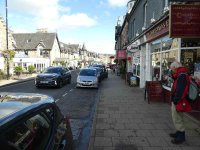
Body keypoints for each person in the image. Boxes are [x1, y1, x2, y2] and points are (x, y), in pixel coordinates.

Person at [169, 61, 189, 144]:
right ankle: (179, 132)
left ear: (175, 68)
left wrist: (175, 100)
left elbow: (180, 90)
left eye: (172, 69)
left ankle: (181, 137)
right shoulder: (181, 74)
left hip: (179, 101)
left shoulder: (181, 76)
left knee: (177, 118)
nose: (172, 70)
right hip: (179, 101)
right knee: (178, 117)